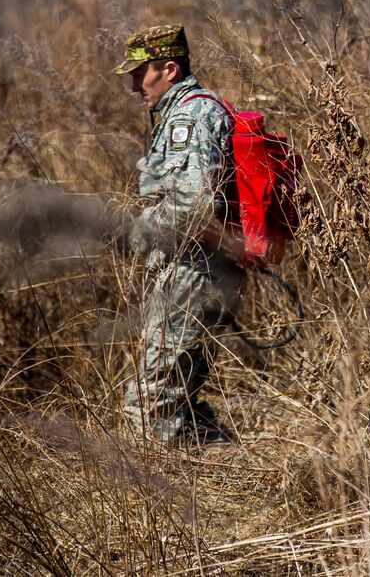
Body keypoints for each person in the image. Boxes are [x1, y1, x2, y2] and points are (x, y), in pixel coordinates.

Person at [112, 23, 243, 446]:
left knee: (151, 400)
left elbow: (195, 203)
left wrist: (140, 232)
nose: (135, 85)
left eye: (139, 73)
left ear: (169, 68)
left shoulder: (191, 114)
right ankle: (228, 465)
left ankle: (158, 496)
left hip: (195, 271)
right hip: (188, 269)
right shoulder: (179, 113)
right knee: (173, 396)